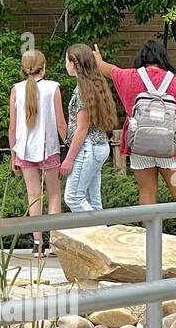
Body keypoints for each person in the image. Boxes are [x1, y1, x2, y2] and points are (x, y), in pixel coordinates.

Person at [93, 39, 176, 242]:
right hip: (171, 150)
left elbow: (106, 69)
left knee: (147, 191)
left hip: (140, 148)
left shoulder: (128, 77)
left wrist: (97, 58)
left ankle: (150, 239)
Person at [8, 49, 66, 256]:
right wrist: (67, 143)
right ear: (44, 66)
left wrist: (13, 153)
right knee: (54, 194)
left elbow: (12, 127)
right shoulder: (53, 88)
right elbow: (60, 122)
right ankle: (55, 242)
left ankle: (37, 243)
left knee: (33, 196)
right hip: (48, 147)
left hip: (23, 148)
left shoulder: (16, 89)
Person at [60, 43, 118, 214]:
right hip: (100, 145)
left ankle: (97, 232)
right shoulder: (97, 85)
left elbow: (82, 128)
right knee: (93, 200)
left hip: (87, 148)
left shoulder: (81, 91)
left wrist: (69, 159)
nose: (65, 64)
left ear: (74, 63)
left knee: (73, 197)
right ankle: (100, 235)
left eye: (66, 60)